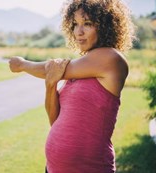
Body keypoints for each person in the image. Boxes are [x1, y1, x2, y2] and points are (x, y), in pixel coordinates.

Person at [9, 0, 135, 172]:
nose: (79, 32)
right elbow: (55, 120)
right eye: (75, 24)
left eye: (87, 24)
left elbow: (49, 68)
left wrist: (23, 64)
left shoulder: (112, 59)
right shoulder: (79, 69)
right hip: (53, 168)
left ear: (106, 26)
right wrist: (51, 85)